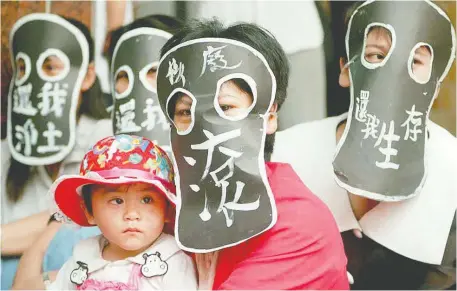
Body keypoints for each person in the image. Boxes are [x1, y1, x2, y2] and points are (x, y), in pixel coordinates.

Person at [272, 1, 456, 289]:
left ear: (435, 86)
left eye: (415, 61)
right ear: (346, 69)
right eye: (376, 56)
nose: (394, 75)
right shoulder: (288, 157)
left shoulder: (451, 169)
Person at [156, 19, 349, 290]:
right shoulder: (160, 208)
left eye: (225, 107)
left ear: (270, 116)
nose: (205, 128)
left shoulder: (300, 226)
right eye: (186, 112)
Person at [2, 14, 112, 290]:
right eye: (24, 69)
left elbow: (89, 221)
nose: (36, 83)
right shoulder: (5, 153)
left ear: (86, 76)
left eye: (50, 68)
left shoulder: (107, 139)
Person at [47, 134, 197, 290]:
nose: (132, 214)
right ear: (89, 212)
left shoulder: (171, 261)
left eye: (147, 200)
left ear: (168, 210)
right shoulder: (82, 259)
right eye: (117, 201)